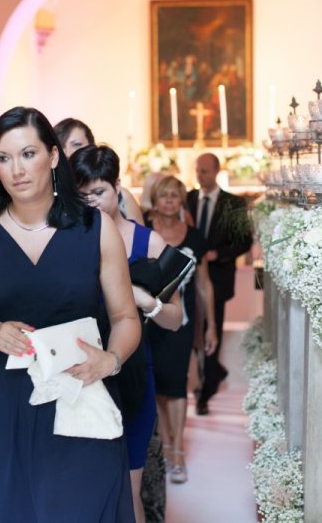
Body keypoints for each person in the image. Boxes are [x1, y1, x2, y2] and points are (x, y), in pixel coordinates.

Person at [0, 106, 141, 522]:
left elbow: (126, 317)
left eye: (28, 154)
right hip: (3, 406)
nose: (17, 169)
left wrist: (110, 360)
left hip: (80, 396)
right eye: (3, 158)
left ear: (53, 157)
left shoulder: (95, 228)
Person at [70, 145, 182, 523]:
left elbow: (175, 319)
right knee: (85, 486)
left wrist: (144, 301)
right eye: (82, 196)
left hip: (133, 372)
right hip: (80, 375)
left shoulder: (148, 243)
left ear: (118, 187)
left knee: (129, 487)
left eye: (99, 192)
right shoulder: (66, 242)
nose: (92, 203)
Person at [145, 175, 217, 483]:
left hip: (181, 322)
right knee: (157, 385)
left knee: (177, 383)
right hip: (147, 322)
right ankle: (164, 445)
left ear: (181, 201)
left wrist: (211, 326)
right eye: (164, 196)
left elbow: (204, 284)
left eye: (175, 196)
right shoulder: (144, 233)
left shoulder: (195, 237)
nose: (170, 201)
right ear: (155, 200)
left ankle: (178, 449)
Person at [186, 153, 253, 415]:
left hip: (217, 276)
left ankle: (205, 391)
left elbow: (244, 241)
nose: (200, 176)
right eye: (197, 171)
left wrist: (217, 254)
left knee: (210, 331)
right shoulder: (189, 198)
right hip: (191, 277)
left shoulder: (233, 203)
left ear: (216, 171)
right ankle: (213, 373)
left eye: (204, 171)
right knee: (194, 331)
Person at [54, 117, 144, 225]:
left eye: (77, 144)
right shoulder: (53, 195)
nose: (68, 152)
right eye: (61, 146)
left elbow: (138, 237)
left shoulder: (122, 197)